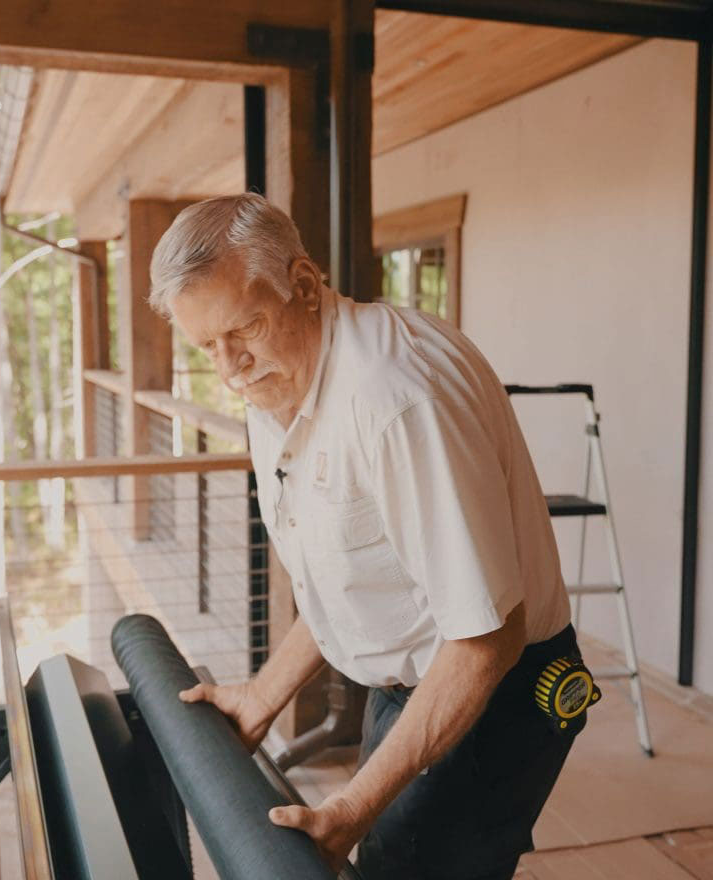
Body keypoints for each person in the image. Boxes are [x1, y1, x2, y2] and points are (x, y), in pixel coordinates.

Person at [149, 193, 586, 880]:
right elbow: (347, 578)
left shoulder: (394, 399)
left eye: (245, 329)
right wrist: (266, 695)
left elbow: (486, 640)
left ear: (303, 282)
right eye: (207, 346)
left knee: (406, 867)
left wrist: (352, 807)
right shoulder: (281, 383)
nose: (229, 368)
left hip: (497, 691)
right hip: (413, 681)